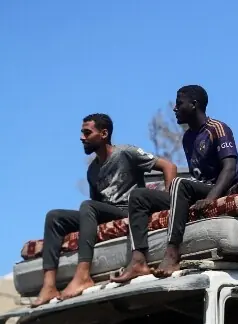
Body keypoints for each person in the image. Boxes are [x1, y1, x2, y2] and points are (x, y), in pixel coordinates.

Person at [32, 114, 177, 306]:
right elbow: (96, 204)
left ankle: (83, 274)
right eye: (82, 133)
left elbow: (169, 166)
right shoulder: (92, 170)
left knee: (87, 206)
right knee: (54, 217)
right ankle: (49, 286)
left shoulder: (126, 152)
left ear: (104, 133)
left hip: (129, 210)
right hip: (105, 212)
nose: (82, 137)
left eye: (87, 132)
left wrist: (168, 203)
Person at [111, 85, 238, 282]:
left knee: (179, 183)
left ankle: (172, 254)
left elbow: (230, 168)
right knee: (138, 196)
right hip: (196, 190)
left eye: (179, 103)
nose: (175, 108)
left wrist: (211, 198)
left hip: (218, 189)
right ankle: (138, 260)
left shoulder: (217, 128)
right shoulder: (188, 137)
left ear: (194, 104)